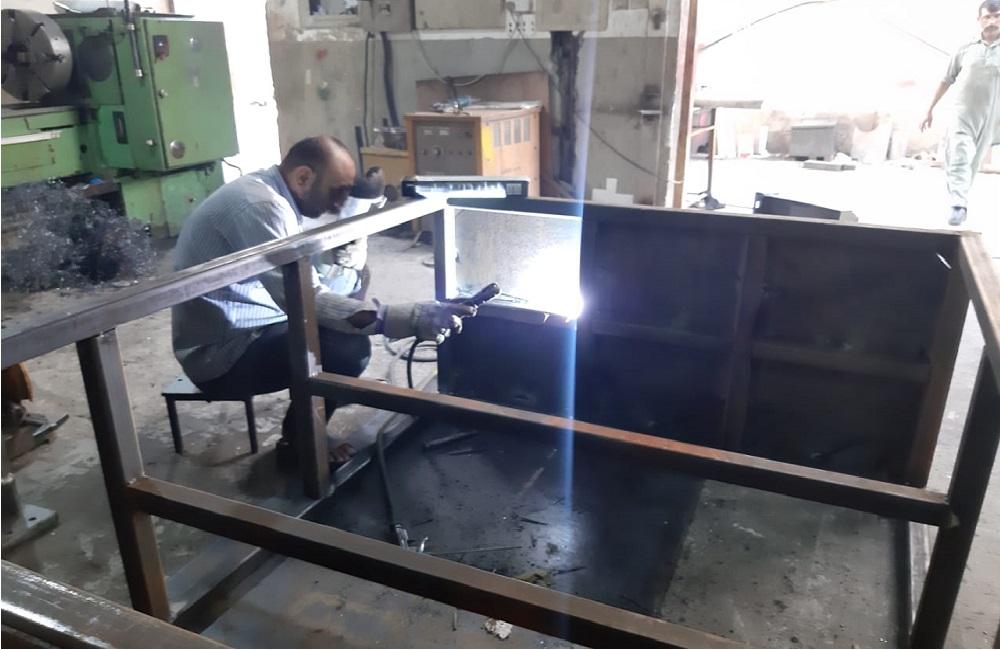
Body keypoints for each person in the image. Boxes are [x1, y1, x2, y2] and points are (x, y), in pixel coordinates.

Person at [171, 135, 475, 466]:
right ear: (303, 177)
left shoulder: (272, 190)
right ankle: (299, 438)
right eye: (337, 192)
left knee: (356, 277)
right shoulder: (262, 206)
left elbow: (305, 272)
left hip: (257, 319)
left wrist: (346, 257)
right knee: (347, 348)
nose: (340, 204)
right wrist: (409, 317)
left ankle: (331, 388)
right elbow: (306, 299)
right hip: (221, 356)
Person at [920, 0, 1000, 227]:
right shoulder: (966, 48)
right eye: (987, 17)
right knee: (959, 154)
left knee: (973, 162)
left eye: (997, 16)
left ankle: (961, 199)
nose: (992, 21)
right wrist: (930, 109)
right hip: (962, 113)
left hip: (991, 118)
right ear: (979, 19)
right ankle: (958, 204)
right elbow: (947, 79)